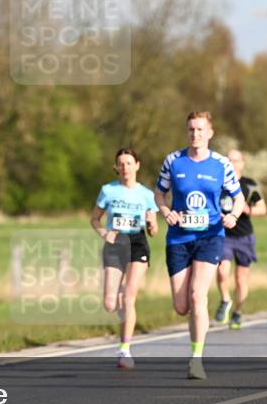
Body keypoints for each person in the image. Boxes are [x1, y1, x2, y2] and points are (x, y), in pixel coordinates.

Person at [155, 111, 244, 380]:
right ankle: (196, 330)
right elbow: (159, 192)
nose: (196, 134)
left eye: (201, 129)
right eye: (192, 129)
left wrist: (233, 216)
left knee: (197, 295)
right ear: (187, 132)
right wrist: (165, 210)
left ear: (210, 133)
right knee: (182, 306)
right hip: (179, 239)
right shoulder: (173, 161)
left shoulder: (221, 164)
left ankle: (196, 358)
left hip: (210, 237)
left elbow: (237, 197)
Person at [91, 148, 159, 369]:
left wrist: (151, 223)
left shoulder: (147, 195)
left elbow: (154, 231)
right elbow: (95, 220)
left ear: (137, 165)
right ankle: (119, 294)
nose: (125, 168)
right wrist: (103, 233)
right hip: (115, 243)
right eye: (121, 164)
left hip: (138, 243)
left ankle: (125, 350)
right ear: (116, 168)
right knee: (110, 304)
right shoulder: (108, 191)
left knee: (129, 297)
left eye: (129, 163)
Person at [215, 149, 267, 330]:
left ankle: (237, 311)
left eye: (236, 160)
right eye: (229, 160)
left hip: (244, 236)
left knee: (240, 278)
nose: (232, 163)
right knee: (222, 271)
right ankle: (225, 300)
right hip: (223, 235)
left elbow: (263, 209)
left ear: (242, 163)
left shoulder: (249, 185)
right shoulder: (218, 183)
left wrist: (248, 209)